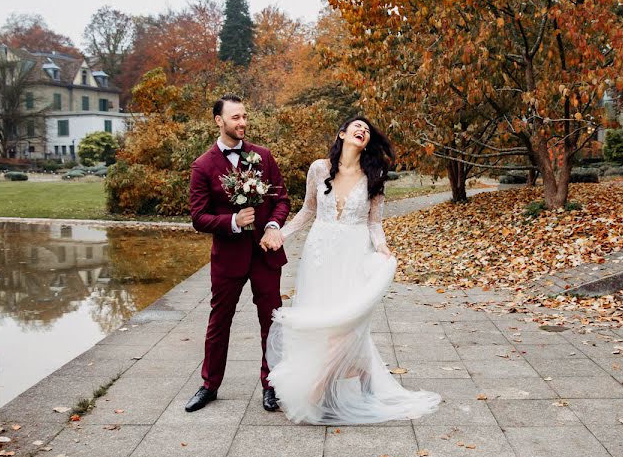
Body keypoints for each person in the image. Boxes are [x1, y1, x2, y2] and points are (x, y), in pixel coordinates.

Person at [264, 116, 441, 424]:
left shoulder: (374, 173)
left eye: (367, 130)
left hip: (354, 252)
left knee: (347, 322)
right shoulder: (319, 169)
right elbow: (308, 210)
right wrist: (282, 234)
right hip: (320, 253)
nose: (362, 131)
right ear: (342, 133)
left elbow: (374, 222)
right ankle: (362, 372)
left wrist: (383, 247)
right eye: (357, 126)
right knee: (324, 321)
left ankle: (316, 389)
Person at [185, 94, 291, 413]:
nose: (242, 122)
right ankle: (209, 386)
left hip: (264, 254)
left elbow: (282, 199)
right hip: (228, 258)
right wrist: (231, 221)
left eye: (245, 116)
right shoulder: (203, 166)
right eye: (235, 118)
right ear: (219, 121)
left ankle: (272, 384)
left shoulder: (264, 156)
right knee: (219, 322)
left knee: (272, 321)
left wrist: (273, 225)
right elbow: (198, 217)